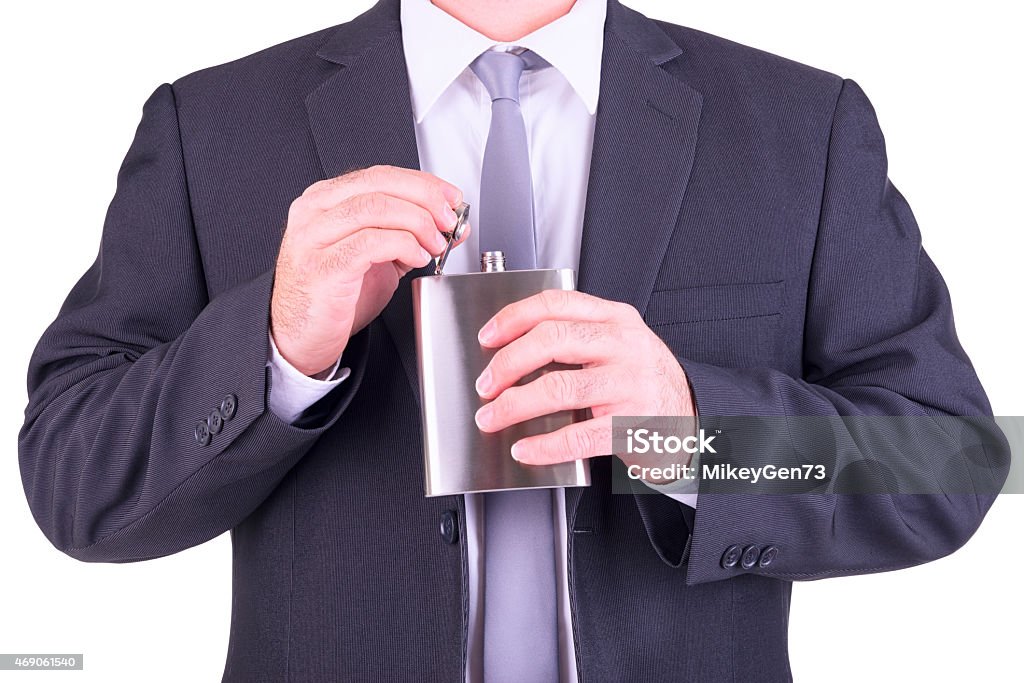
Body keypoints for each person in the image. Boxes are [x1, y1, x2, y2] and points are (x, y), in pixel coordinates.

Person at [18, 0, 1008, 680]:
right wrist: (274, 344)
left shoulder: (798, 126)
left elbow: (946, 464)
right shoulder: (213, 126)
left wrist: (690, 426)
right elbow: (75, 484)